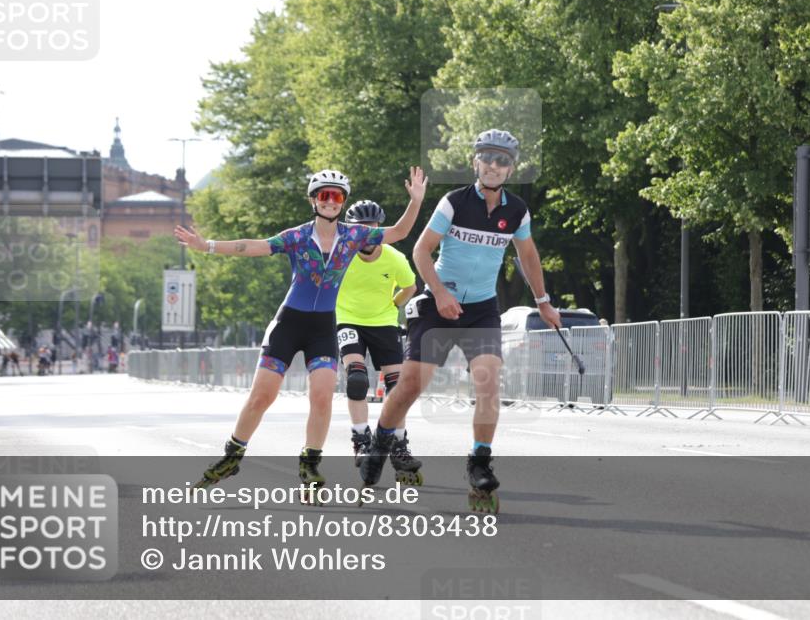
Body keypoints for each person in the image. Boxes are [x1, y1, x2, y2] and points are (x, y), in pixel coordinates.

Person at [175, 167, 427, 499]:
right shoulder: (297, 236)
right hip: (288, 324)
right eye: (324, 195)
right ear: (313, 200)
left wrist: (416, 201)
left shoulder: (354, 236)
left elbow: (399, 232)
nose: (331, 201)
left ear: (343, 201)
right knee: (261, 397)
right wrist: (205, 245)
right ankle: (233, 454)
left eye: (337, 196)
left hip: (322, 327)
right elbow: (251, 247)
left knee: (321, 397)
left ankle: (310, 464)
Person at [359, 129, 561, 514]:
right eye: (487, 157)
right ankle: (380, 443)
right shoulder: (454, 202)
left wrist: (544, 301)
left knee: (489, 381)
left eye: (502, 160)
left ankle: (480, 462)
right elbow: (420, 250)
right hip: (438, 304)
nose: (494, 165)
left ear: (511, 167)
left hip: (482, 309)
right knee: (411, 386)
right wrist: (439, 292)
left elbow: (529, 255)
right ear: (476, 162)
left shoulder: (516, 210)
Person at [335, 200, 421, 484]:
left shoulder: (394, 257)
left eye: (372, 227)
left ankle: (399, 443)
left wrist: (392, 305)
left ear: (380, 228)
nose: (367, 232)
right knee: (357, 380)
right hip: (348, 320)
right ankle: (361, 437)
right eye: (361, 227)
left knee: (398, 387)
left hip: (384, 323)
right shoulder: (341, 255)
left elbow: (410, 286)